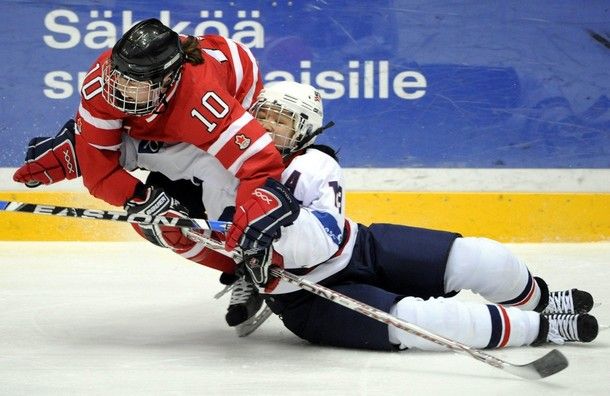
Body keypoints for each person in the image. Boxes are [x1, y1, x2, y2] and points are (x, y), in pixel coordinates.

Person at [13, 81, 599, 351]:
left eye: (283, 121)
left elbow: (314, 239)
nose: (267, 126)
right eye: (261, 114)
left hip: (358, 250)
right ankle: (544, 329)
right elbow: (136, 149)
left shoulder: (316, 165)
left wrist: (262, 235)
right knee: (427, 323)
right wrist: (82, 150)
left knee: (481, 257)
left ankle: (543, 299)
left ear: (307, 131)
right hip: (303, 300)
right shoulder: (221, 153)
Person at [13, 19, 300, 331]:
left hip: (221, 113)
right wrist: (141, 198)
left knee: (233, 204)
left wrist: (252, 230)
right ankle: (79, 146)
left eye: (134, 83)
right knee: (157, 224)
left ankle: (249, 265)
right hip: (166, 123)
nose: (118, 89)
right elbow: (100, 176)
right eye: (117, 75)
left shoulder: (204, 102)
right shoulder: (102, 84)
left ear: (166, 80)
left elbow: (261, 166)